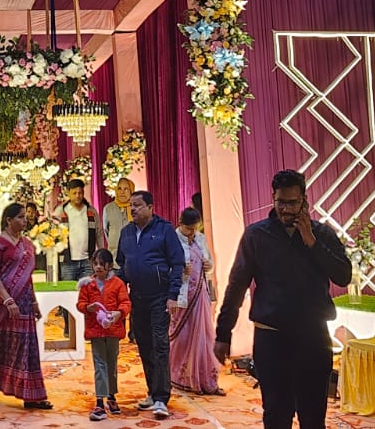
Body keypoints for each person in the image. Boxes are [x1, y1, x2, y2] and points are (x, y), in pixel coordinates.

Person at [214, 169, 352, 429]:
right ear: (273, 199)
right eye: (280, 202)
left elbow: (343, 276)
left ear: (304, 201)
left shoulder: (322, 234)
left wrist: (311, 242)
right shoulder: (256, 235)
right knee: (276, 415)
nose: (286, 209)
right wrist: (223, 333)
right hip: (271, 339)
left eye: (292, 202)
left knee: (313, 417)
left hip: (313, 338)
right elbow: (237, 286)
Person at [115, 190, 185, 419]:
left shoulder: (164, 229)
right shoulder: (126, 232)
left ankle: (162, 397)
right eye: (131, 206)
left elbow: (177, 264)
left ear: (150, 207)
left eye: (137, 205)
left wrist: (173, 295)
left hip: (160, 297)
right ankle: (152, 393)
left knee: (160, 345)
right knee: (144, 345)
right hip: (137, 298)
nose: (133, 209)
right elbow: (122, 265)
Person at [0, 203, 51, 410]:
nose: (24, 220)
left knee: (26, 346)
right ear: (8, 220)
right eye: (20, 217)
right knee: (0, 344)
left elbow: (28, 277)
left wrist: (34, 301)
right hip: (2, 304)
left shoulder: (27, 244)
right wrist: (7, 300)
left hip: (24, 302)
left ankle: (30, 395)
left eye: (25, 217)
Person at [169, 207, 221, 395]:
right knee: (182, 338)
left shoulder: (200, 238)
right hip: (181, 297)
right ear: (180, 223)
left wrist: (209, 266)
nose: (192, 232)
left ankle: (206, 379)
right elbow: (166, 269)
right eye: (188, 228)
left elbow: (210, 264)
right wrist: (181, 272)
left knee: (204, 337)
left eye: (195, 228)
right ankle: (180, 378)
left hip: (200, 295)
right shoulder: (172, 240)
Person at [77, 248, 131, 422]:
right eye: (95, 264)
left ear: (109, 266)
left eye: (102, 264)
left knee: (111, 363)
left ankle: (111, 396)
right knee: (100, 364)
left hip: (113, 331)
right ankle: (100, 401)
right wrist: (88, 308)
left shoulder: (118, 284)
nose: (98, 267)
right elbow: (80, 303)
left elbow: (125, 303)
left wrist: (119, 313)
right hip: (96, 331)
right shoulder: (87, 284)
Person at [52, 178, 100, 280]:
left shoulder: (91, 211)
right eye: (74, 193)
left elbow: (98, 233)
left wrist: (100, 253)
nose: (77, 196)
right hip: (67, 261)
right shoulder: (61, 211)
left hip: (88, 261)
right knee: (68, 289)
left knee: (88, 289)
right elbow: (53, 234)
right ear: (68, 193)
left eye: (80, 193)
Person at [103, 178, 134, 260]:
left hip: (133, 256)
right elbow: (106, 230)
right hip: (114, 256)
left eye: (126, 189)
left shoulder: (136, 207)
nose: (122, 192)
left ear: (131, 191)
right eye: (119, 188)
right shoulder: (108, 208)